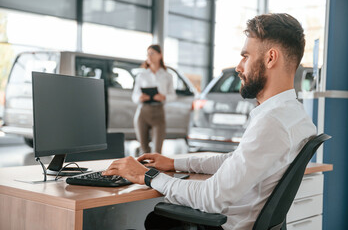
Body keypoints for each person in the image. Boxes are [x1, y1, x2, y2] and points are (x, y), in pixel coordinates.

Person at [103, 13, 317, 230]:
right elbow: (235, 160)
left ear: (271, 58)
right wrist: (175, 163)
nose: (238, 67)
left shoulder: (272, 122)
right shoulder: (294, 116)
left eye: (245, 56)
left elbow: (210, 198)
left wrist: (147, 175)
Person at [131, 44, 176, 155]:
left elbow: (173, 95)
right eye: (147, 54)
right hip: (143, 112)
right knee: (144, 151)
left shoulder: (167, 76)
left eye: (152, 53)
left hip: (158, 113)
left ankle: (156, 172)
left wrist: (164, 97)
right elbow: (134, 96)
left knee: (157, 152)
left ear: (160, 55)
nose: (149, 57)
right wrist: (140, 97)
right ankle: (143, 172)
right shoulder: (141, 75)